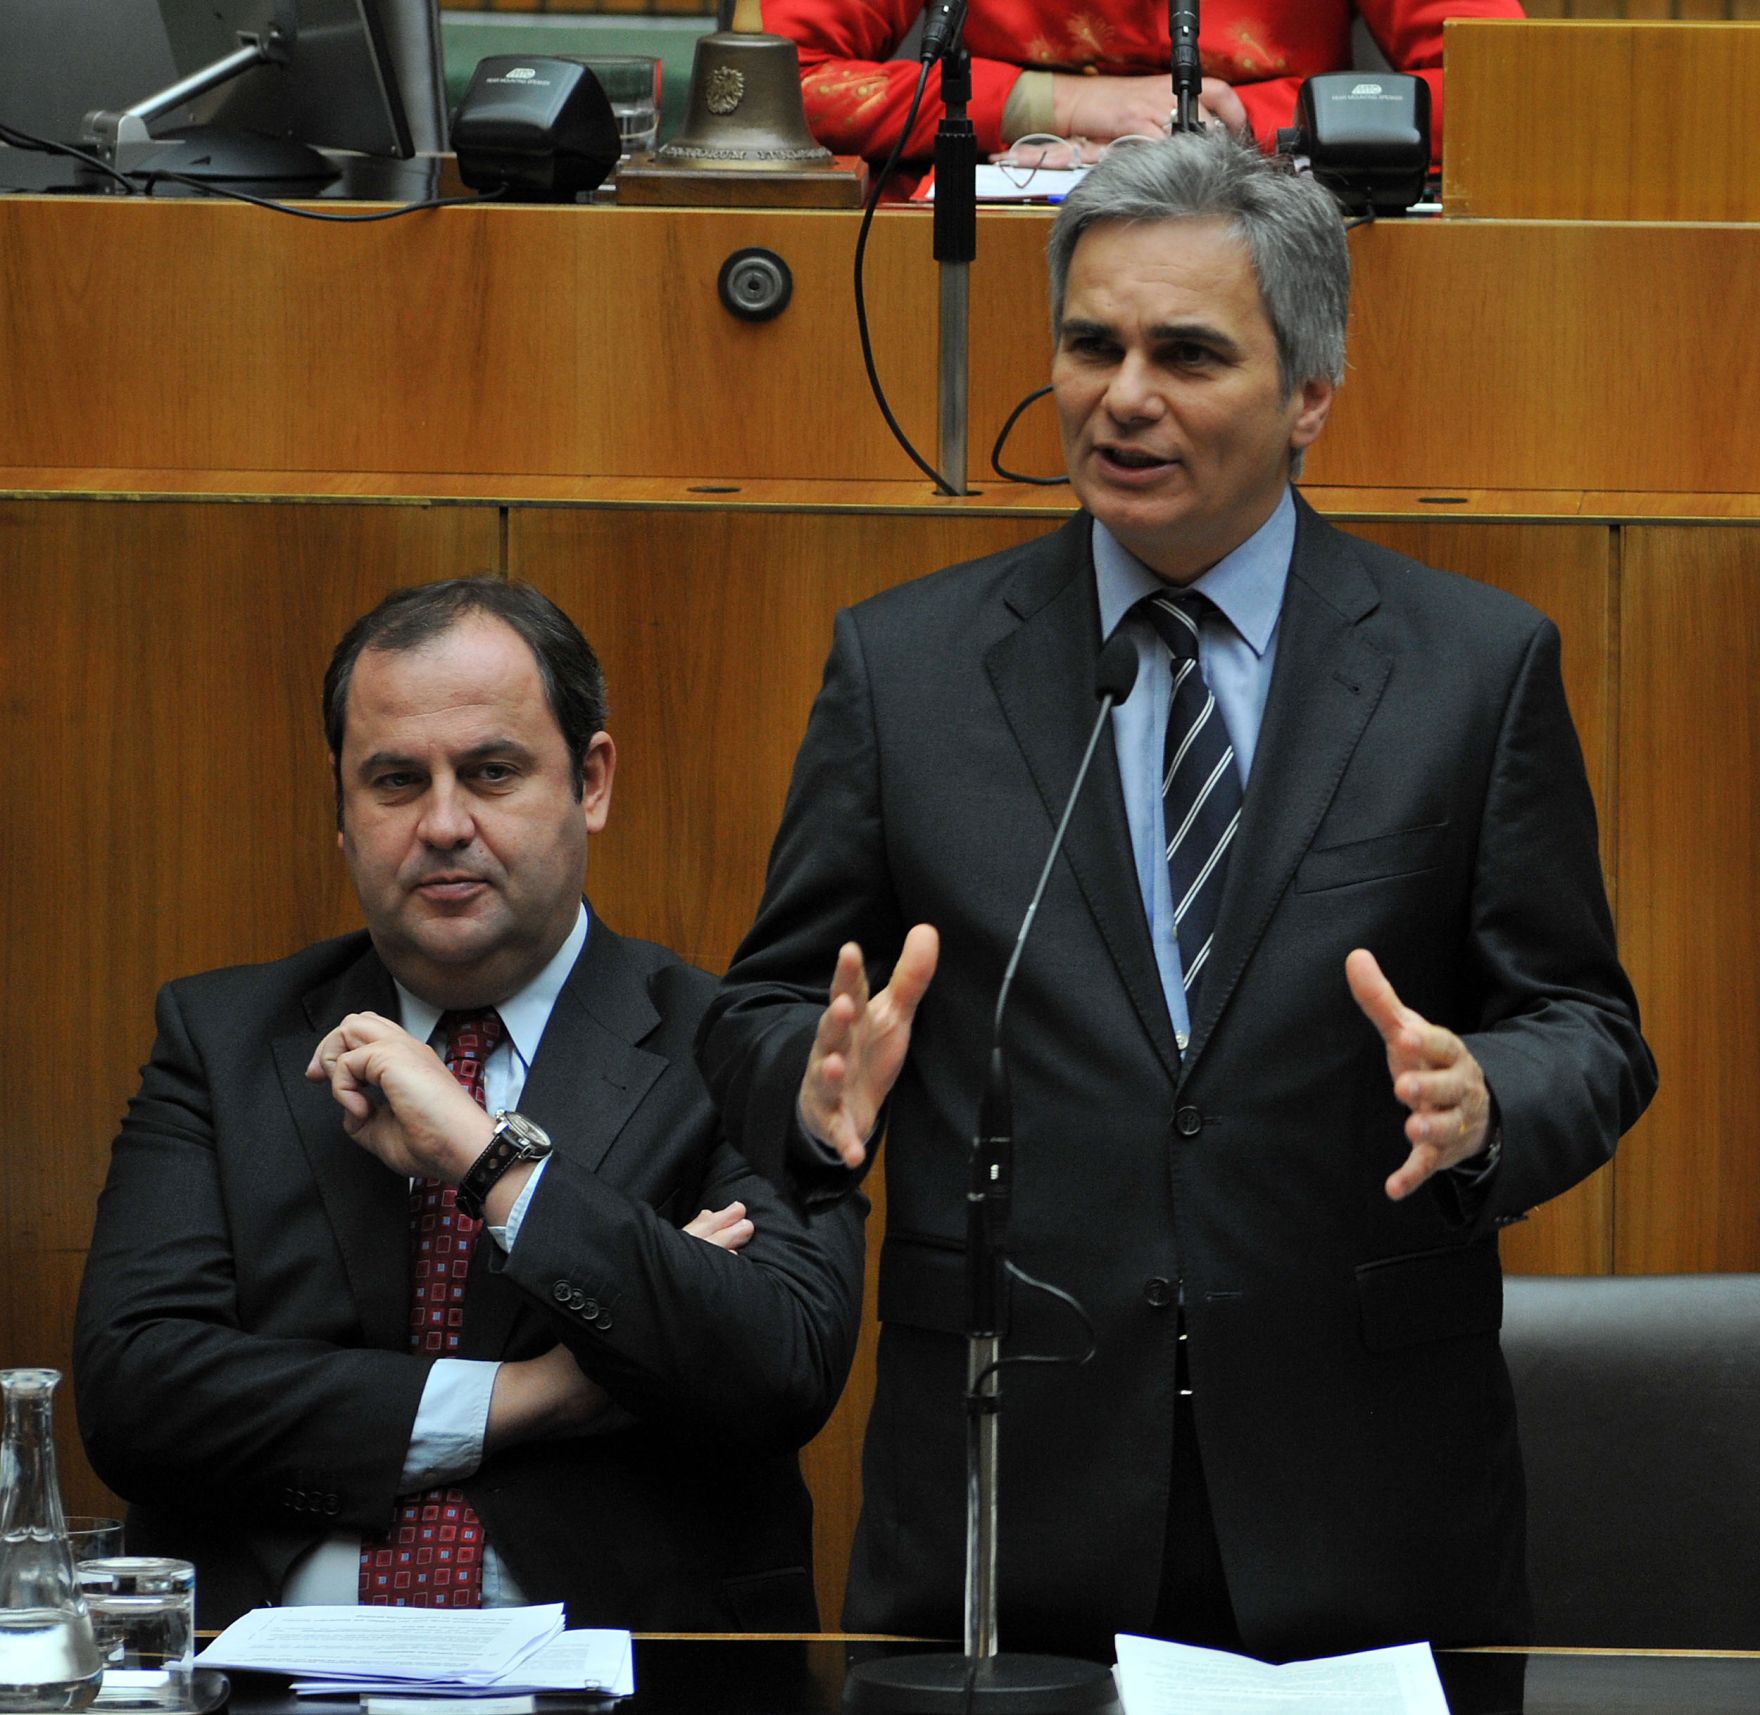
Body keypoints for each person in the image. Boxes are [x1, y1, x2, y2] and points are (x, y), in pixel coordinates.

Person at [697, 131, 1655, 1662]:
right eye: (1092, 344)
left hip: (1362, 1490)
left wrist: (1491, 1097)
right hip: (1012, 1493)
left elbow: (1587, 1026)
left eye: (1187, 352)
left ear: (1309, 396)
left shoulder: (1471, 671)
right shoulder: (913, 667)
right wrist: (813, 1098)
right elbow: (762, 1006)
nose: (1122, 396)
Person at [74, 578, 864, 1630]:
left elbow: (776, 1360)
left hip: (633, 1668)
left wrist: (495, 1168)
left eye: (491, 771)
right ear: (341, 808)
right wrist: (534, 1393)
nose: (443, 823)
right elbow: (139, 1393)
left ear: (590, 779)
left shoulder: (730, 1046)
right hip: (266, 1670)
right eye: (395, 780)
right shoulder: (219, 1039)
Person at [766, 0, 1524, 172]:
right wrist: (1053, 104)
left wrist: (1220, 123)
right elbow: (768, 85)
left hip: (1272, 225)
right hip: (986, 243)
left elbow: (1507, 94)